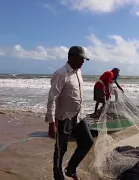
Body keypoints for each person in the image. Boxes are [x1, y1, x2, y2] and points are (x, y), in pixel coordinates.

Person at [45, 46, 93, 180]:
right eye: (81, 59)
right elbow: (52, 98)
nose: (83, 62)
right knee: (61, 149)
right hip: (64, 117)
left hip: (78, 115)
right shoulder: (61, 73)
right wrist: (51, 123)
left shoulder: (78, 71)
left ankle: (71, 169)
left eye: (84, 59)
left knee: (87, 142)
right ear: (71, 57)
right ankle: (58, 176)